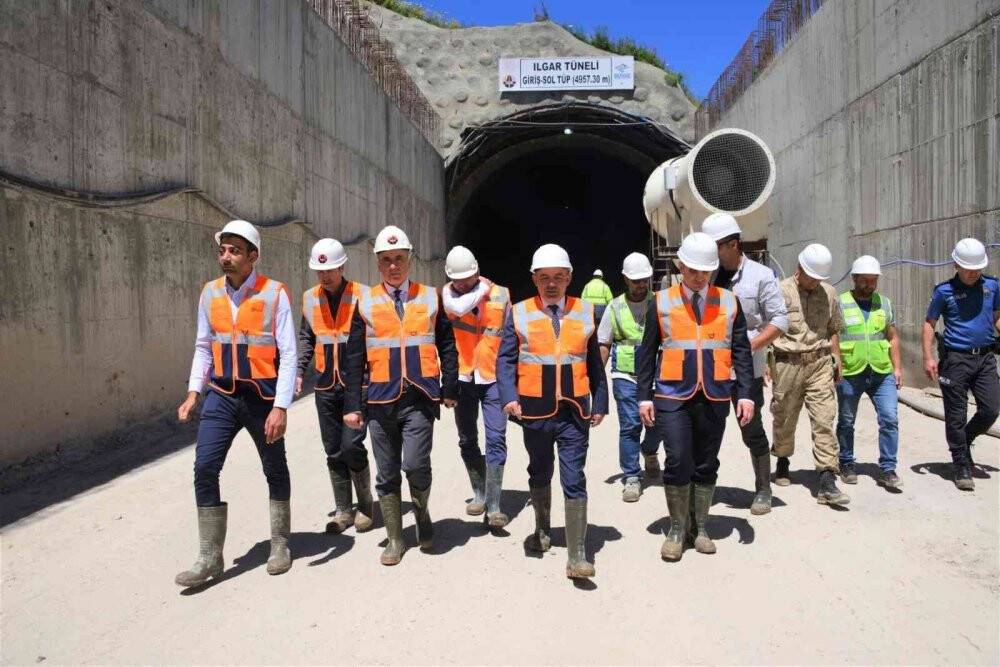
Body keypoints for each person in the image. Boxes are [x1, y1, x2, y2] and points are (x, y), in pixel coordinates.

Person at [175, 220, 297, 587]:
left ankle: (280, 543)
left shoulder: (275, 294)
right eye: (222, 250)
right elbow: (202, 346)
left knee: (274, 468)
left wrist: (281, 407)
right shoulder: (209, 293)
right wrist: (194, 392)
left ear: (253, 256)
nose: (225, 257)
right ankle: (210, 555)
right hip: (223, 395)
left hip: (262, 397)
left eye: (234, 251)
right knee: (204, 467)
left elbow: (288, 354)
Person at [341, 225, 458, 565]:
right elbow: (353, 358)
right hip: (380, 399)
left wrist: (449, 386)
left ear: (410, 259)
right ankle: (395, 537)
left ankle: (421, 514)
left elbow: (447, 344)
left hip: (419, 396)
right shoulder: (365, 302)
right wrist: (352, 405)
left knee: (416, 463)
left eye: (399, 259)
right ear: (378, 263)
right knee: (387, 470)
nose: (393, 266)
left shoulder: (429, 296)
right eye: (386, 260)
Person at [636, 233, 755, 562]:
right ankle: (677, 528)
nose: (699, 276)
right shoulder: (660, 302)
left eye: (705, 271)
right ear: (680, 266)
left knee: (706, 462)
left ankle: (699, 527)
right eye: (692, 270)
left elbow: (742, 353)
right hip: (673, 395)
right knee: (676, 460)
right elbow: (645, 354)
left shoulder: (729, 302)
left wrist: (746, 394)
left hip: (715, 394)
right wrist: (643, 397)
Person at [497, 244, 608, 580]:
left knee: (574, 477)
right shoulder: (518, 313)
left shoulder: (586, 311)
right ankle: (543, 529)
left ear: (569, 278)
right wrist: (508, 396)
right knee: (540, 471)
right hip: (535, 411)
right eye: (544, 278)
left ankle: (577, 555)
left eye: (558, 277)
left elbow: (593, 362)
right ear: (534, 279)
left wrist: (600, 401)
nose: (551, 284)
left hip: (574, 412)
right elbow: (505, 360)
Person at [701, 213, 789, 514]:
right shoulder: (708, 275)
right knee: (708, 428)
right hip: (711, 368)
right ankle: (704, 487)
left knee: (749, 427)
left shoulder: (761, 276)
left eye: (715, 247)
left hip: (745, 369)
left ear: (733, 244)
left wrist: (749, 345)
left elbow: (779, 319)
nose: (710, 253)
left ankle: (764, 489)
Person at [296, 238, 374, 533]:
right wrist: (300, 372)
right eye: (319, 271)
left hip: (358, 384)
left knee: (351, 443)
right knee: (332, 449)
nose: (325, 275)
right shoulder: (310, 298)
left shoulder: (363, 296)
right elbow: (307, 337)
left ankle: (365, 503)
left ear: (342, 266)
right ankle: (343, 510)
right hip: (326, 384)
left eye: (329, 270)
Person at [770, 243, 850, 506]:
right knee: (784, 417)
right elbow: (766, 328)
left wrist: (836, 357)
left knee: (825, 418)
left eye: (819, 278)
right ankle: (782, 458)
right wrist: (764, 365)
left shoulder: (829, 293)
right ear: (799, 268)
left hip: (819, 363)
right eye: (811, 276)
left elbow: (833, 328)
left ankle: (827, 478)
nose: (815, 282)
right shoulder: (779, 291)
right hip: (787, 364)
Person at [440, 245, 512, 527]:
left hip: (493, 377)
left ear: (478, 272)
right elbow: (444, 343)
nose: (460, 284)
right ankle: (479, 493)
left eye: (466, 278)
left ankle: (494, 506)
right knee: (467, 438)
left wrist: (513, 381)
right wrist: (446, 385)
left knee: (496, 438)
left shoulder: (501, 295)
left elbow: (509, 340)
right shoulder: (444, 299)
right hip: (463, 378)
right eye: (455, 280)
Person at [922, 238, 999, 491]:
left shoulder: (992, 286)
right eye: (968, 268)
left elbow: (996, 317)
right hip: (956, 359)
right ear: (956, 264)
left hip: (986, 358)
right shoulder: (944, 291)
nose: (974, 272)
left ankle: (964, 440)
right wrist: (928, 356)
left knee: (991, 409)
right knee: (956, 415)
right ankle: (960, 463)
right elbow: (929, 323)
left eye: (977, 267)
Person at [835, 255, 903, 491]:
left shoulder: (884, 303)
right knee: (846, 420)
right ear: (854, 279)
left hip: (881, 371)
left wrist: (897, 368)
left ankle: (888, 469)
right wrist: (837, 366)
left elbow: (892, 337)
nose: (869, 285)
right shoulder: (840, 302)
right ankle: (846, 462)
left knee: (889, 419)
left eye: (873, 280)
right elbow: (832, 336)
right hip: (850, 372)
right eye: (864, 280)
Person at [598, 252, 661, 502]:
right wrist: (597, 380)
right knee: (630, 425)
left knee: (660, 423)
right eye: (636, 281)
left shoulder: (660, 303)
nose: (641, 285)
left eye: (645, 279)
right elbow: (604, 343)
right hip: (625, 375)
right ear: (625, 279)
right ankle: (632, 477)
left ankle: (649, 450)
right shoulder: (614, 307)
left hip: (657, 374)